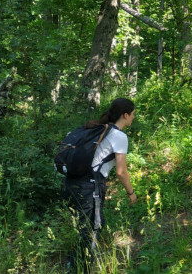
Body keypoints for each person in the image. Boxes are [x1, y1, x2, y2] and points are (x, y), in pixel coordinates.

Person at [63, 98, 137, 273]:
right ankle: (80, 268)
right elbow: (121, 172)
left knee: (88, 226)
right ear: (125, 115)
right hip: (89, 186)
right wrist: (131, 193)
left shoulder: (96, 129)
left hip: (71, 183)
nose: (133, 118)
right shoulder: (119, 135)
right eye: (133, 114)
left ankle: (74, 263)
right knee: (91, 229)